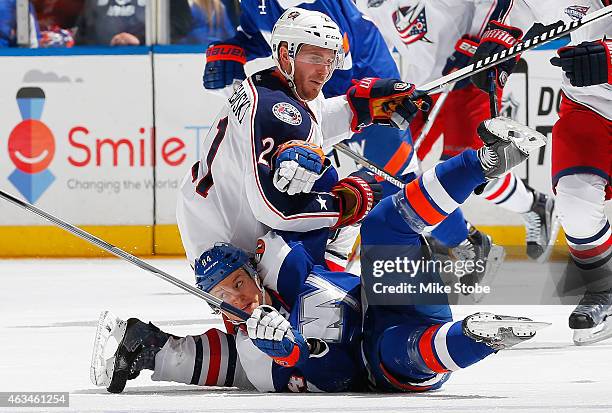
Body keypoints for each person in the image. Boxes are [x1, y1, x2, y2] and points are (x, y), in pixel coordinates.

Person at [91, 114, 549, 393]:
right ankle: (475, 338)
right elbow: (329, 375)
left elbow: (345, 211)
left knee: (386, 226)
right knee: (396, 349)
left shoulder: (286, 263)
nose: (237, 297)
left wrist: (317, 174)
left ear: (253, 271)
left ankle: (484, 161)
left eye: (237, 283)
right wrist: (147, 348)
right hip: (382, 365)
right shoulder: (251, 350)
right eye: (224, 297)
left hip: (388, 296)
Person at [177, 7, 421, 267]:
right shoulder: (273, 108)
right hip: (225, 249)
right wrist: (344, 204)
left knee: (323, 189)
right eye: (315, 57)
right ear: (285, 55)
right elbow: (273, 209)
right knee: (326, 184)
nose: (324, 72)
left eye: (330, 60)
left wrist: (359, 107)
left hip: (219, 220)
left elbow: (311, 121)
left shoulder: (276, 85)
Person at [356, 0, 558, 262]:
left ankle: (534, 205)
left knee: (480, 170)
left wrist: (481, 40)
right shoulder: (366, 4)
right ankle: (458, 239)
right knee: (397, 168)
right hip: (421, 86)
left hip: (472, 71)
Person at [468, 0, 611, 345]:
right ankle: (604, 290)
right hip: (590, 108)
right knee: (575, 206)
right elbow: (524, 8)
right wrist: (499, 43)